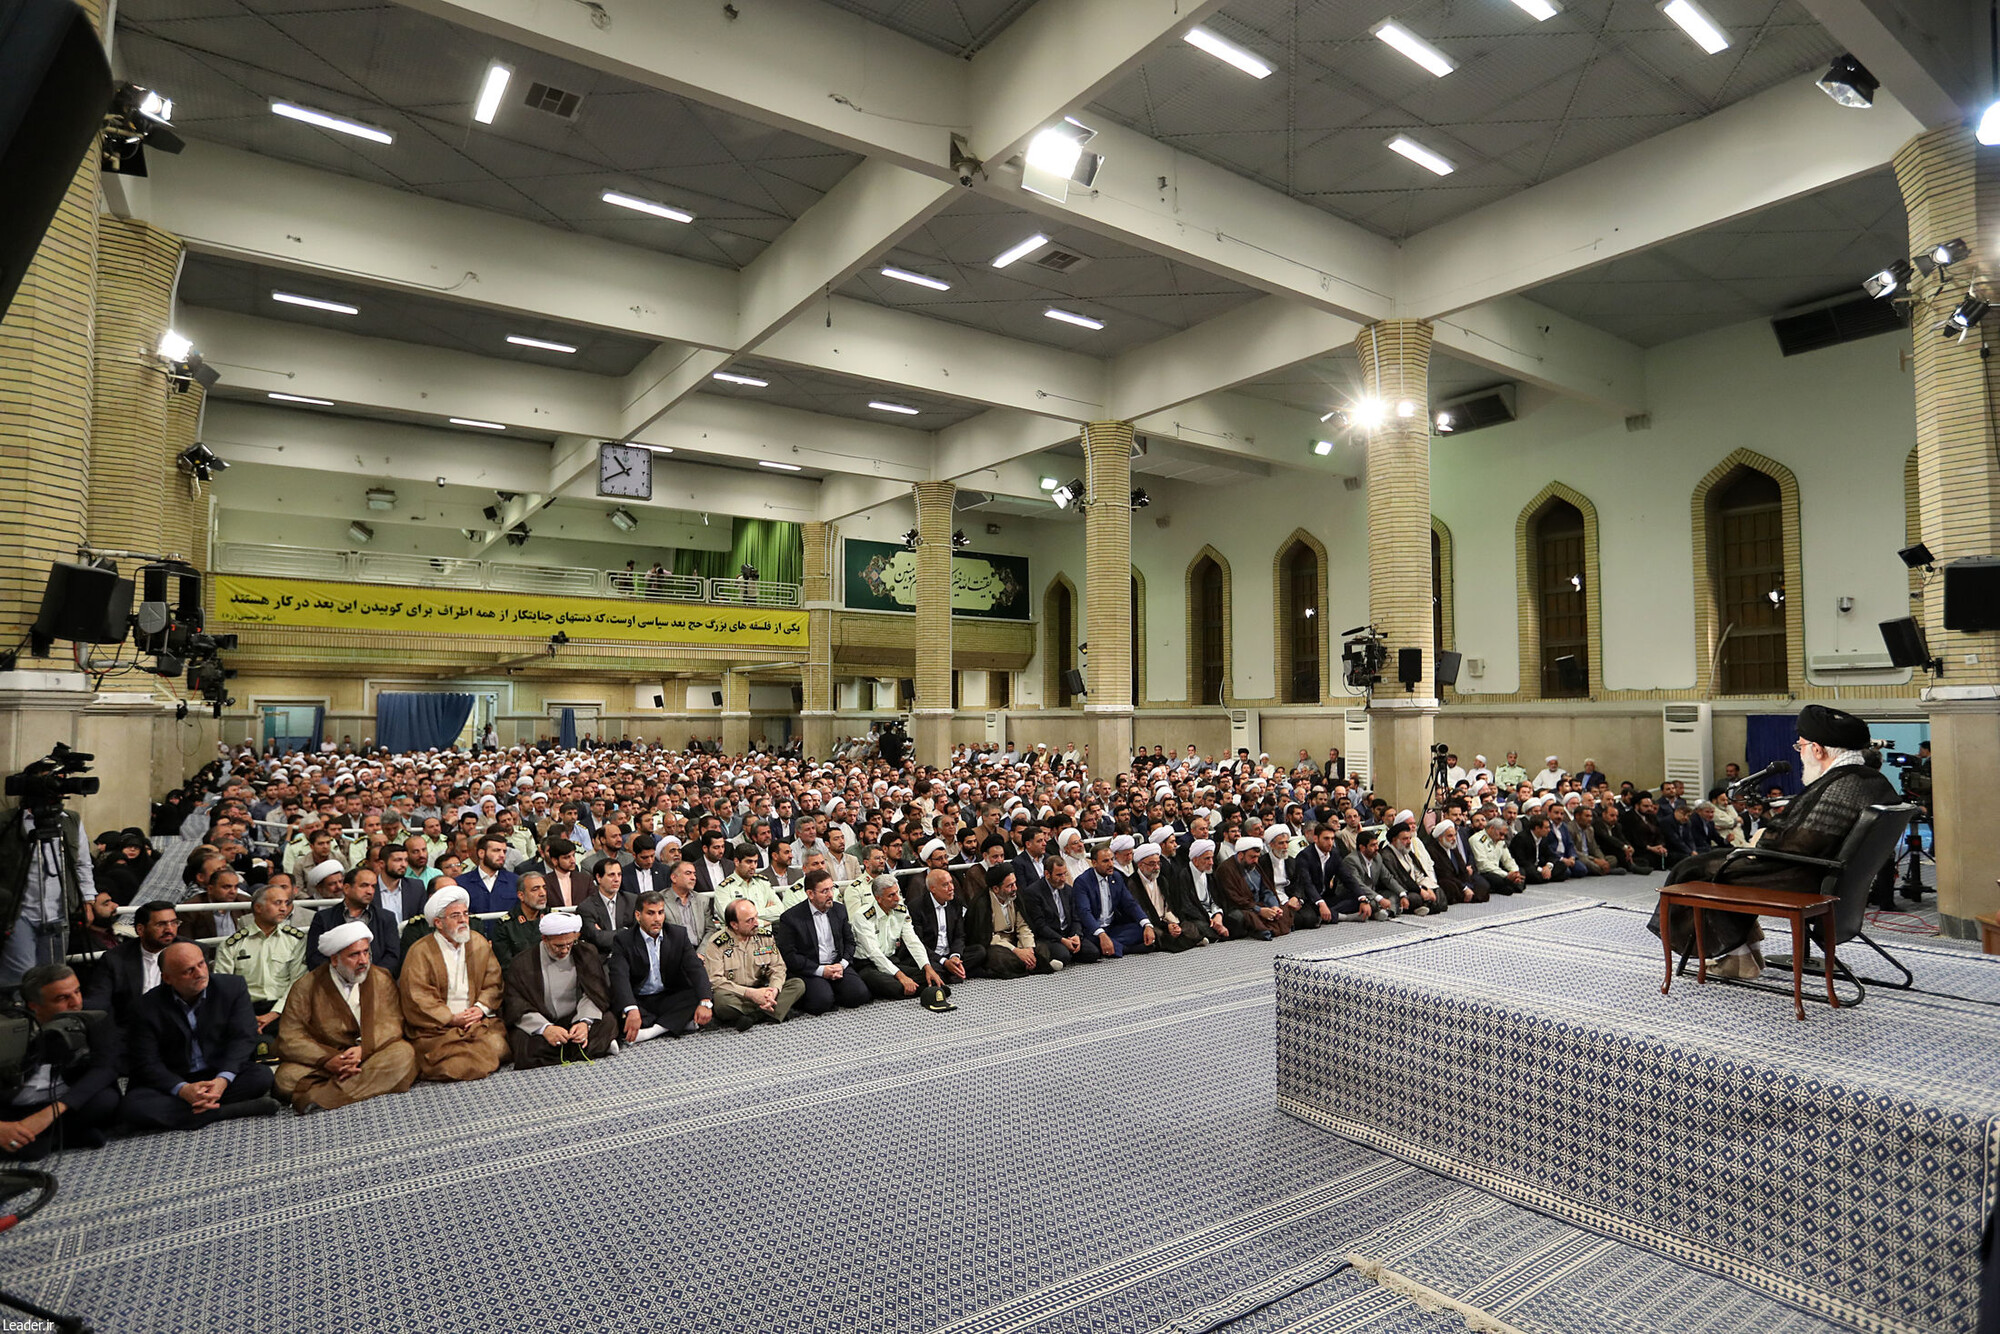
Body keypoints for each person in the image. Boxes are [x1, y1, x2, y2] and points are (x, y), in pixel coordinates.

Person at [1649, 704, 1899, 979]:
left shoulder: (1839, 786)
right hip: (1830, 875)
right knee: (1717, 865)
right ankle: (1749, 950)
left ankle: (1739, 957)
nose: (1800, 753)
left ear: (1818, 750)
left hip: (1803, 877)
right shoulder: (1870, 781)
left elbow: (1801, 841)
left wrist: (1762, 840)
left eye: (1800, 746)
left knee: (1695, 870)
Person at [123, 942, 280, 1131]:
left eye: (201, 964)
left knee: (261, 1077)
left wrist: (222, 1080)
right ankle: (225, 1111)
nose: (200, 973)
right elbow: (147, 1061)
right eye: (189, 970)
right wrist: (182, 1089)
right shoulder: (145, 1007)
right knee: (133, 1106)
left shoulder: (232, 987)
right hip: (176, 1076)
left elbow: (243, 1038)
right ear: (167, 978)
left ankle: (193, 1112)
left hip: (216, 1072)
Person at [275, 923, 419, 1112]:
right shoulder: (306, 986)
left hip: (371, 1053)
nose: (363, 961)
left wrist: (363, 1049)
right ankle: (355, 1085)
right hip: (327, 1059)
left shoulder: (381, 977)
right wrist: (328, 1059)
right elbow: (290, 1037)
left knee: (403, 1054)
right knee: (285, 1077)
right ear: (335, 959)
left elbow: (392, 1023)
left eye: (366, 952)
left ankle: (324, 1096)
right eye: (354, 955)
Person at [1, 964, 123, 1158]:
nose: (76, 1002)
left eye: (77, 992)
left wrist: (51, 1112)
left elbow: (106, 1068)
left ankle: (43, 1138)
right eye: (62, 998)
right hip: (15, 1104)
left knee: (106, 1100)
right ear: (34, 1005)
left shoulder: (93, 1015)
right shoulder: (10, 1028)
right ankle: (60, 1138)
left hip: (62, 1103)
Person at [399, 886, 508, 1081]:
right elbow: (418, 997)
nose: (463, 920)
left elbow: (494, 982)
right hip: (437, 1029)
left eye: (465, 914)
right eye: (455, 916)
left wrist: (480, 1008)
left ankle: (471, 1054)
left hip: (476, 1023)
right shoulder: (420, 951)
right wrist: (451, 1018)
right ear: (438, 923)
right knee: (455, 1063)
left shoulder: (478, 942)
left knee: (499, 1045)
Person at [502, 910, 623, 1068]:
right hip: (542, 1020)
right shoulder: (522, 963)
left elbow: (594, 992)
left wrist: (584, 1022)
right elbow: (516, 1004)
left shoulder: (586, 952)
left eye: (569, 944)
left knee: (608, 1021)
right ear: (544, 939)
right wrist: (545, 1029)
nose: (565, 950)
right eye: (559, 946)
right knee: (523, 1042)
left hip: (575, 1018)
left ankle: (574, 1047)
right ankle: (591, 1048)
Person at [0, 798, 96, 992]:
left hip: (59, 912)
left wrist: (87, 901)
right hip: (18, 913)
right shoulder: (8, 821)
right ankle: (18, 1008)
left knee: (54, 977)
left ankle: (52, 1010)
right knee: (21, 977)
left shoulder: (71, 820)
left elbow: (82, 864)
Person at [609, 890, 713, 1043]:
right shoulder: (624, 940)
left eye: (660, 912)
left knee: (699, 996)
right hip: (640, 999)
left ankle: (652, 1031)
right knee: (619, 1009)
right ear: (638, 915)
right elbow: (620, 977)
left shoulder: (678, 934)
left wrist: (705, 1001)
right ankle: (676, 1024)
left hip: (667, 996)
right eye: (650, 913)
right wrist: (631, 1008)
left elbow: (695, 968)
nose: (657, 919)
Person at [212, 880, 309, 1034]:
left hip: (285, 1009)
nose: (284, 908)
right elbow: (223, 987)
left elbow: (298, 983)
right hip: (244, 1011)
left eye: (286, 903)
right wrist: (245, 1016)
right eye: (277, 903)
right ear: (258, 907)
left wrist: (274, 1013)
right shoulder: (232, 944)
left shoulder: (295, 940)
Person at [774, 869, 872, 1014]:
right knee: (821, 1002)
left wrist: (842, 964)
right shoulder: (791, 918)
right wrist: (821, 971)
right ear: (810, 894)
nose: (831, 895)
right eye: (825, 891)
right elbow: (790, 955)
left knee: (859, 995)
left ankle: (830, 990)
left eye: (831, 889)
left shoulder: (839, 910)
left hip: (837, 965)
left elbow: (850, 942)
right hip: (811, 969)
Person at [700, 896, 804, 1028]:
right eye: (750, 920)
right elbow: (715, 981)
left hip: (763, 989)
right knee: (722, 1002)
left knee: (797, 984)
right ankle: (772, 1012)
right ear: (734, 925)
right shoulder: (717, 944)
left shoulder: (765, 937)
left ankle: (753, 1016)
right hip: (736, 994)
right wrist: (750, 994)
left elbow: (778, 967)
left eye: (756, 917)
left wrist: (773, 990)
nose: (756, 923)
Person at [83, 900, 180, 1027]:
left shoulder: (191, 952)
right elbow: (98, 1001)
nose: (169, 929)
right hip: (131, 1029)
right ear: (140, 929)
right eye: (161, 924)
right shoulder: (115, 959)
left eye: (174, 923)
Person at [850, 874, 947, 997]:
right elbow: (874, 953)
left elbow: (913, 941)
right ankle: (923, 990)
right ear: (878, 898)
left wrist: (927, 967)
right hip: (868, 964)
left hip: (892, 960)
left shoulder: (901, 910)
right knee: (887, 983)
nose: (897, 898)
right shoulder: (863, 916)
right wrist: (901, 976)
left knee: (934, 972)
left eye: (898, 893)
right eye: (891, 895)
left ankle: (912, 988)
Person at [304, 863, 402, 975]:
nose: (370, 891)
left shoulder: (386, 918)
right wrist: (343, 976)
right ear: (346, 888)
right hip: (334, 981)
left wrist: (372, 976)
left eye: (373, 886)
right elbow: (314, 957)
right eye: (364, 886)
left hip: (376, 980)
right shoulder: (323, 918)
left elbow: (393, 957)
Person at [1073, 843, 1153, 955]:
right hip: (1093, 930)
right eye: (1105, 861)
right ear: (1094, 863)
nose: (1111, 864)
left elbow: (1130, 903)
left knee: (1142, 930)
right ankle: (1127, 949)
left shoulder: (1116, 877)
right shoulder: (1082, 882)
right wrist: (1101, 934)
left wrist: (1146, 924)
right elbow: (1084, 912)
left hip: (1112, 928)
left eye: (1112, 859)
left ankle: (1114, 946)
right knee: (1092, 947)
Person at [906, 866, 969, 984]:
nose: (951, 888)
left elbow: (959, 935)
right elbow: (919, 943)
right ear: (933, 889)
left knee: (980, 952)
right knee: (923, 965)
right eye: (945, 885)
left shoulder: (956, 902)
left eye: (951, 882)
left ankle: (952, 969)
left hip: (950, 952)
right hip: (931, 955)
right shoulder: (916, 907)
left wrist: (955, 956)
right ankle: (951, 972)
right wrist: (944, 961)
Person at [577, 857, 638, 956]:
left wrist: (604, 933)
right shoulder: (586, 907)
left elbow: (638, 934)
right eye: (611, 875)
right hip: (602, 959)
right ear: (599, 878)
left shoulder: (632, 901)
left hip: (629, 956)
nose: (617, 879)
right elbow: (598, 939)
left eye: (619, 874)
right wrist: (625, 931)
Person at [489, 870, 547, 970]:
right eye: (535, 889)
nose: (543, 893)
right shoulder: (506, 925)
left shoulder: (554, 918)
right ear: (521, 896)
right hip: (521, 976)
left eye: (544, 888)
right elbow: (506, 965)